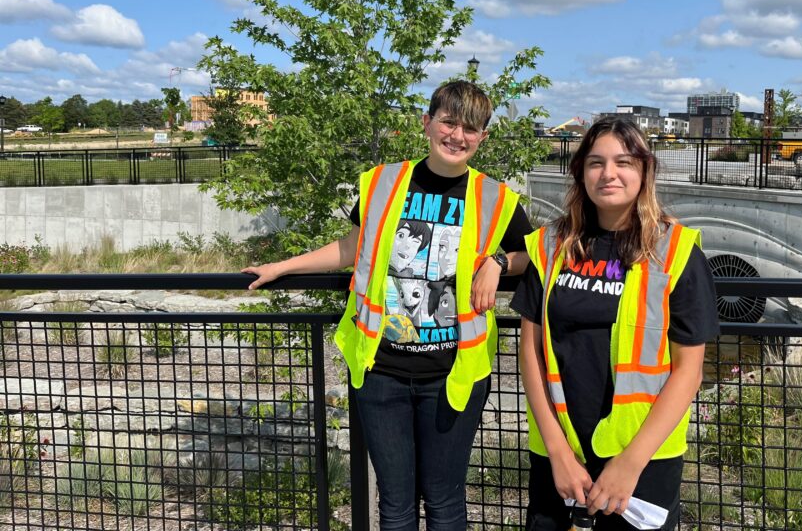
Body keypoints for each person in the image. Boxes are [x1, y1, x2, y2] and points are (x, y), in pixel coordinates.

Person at [244, 80, 532, 531]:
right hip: (382, 374)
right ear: (427, 123)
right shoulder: (383, 182)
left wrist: (497, 261)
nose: (457, 136)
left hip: (453, 376)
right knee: (395, 505)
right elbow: (354, 246)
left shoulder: (496, 198)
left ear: (483, 138)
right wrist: (284, 266)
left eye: (470, 128)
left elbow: (534, 253)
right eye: (449, 122)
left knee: (444, 503)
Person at [511, 118, 718, 530]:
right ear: (580, 174)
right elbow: (530, 355)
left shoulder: (675, 251)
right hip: (561, 451)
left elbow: (688, 372)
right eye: (596, 163)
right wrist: (558, 452)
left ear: (644, 171)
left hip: (642, 456)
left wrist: (629, 463)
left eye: (623, 162)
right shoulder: (551, 246)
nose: (609, 174)